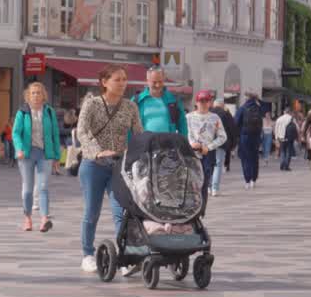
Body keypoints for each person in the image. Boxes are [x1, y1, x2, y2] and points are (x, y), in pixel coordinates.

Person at [76, 65, 144, 273]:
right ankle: (87, 254)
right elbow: (82, 132)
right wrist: (97, 152)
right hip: (93, 165)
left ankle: (125, 257)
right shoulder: (92, 104)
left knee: (121, 212)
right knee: (92, 211)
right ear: (104, 82)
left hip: (118, 166)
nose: (122, 83)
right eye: (117, 79)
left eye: (124, 79)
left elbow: (139, 134)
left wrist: (144, 153)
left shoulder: (130, 107)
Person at [12, 81, 61, 233]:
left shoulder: (49, 112)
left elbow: (55, 134)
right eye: (33, 93)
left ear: (43, 95)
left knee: (43, 187)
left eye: (38, 92)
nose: (35, 95)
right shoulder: (23, 112)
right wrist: (19, 149)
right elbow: (16, 133)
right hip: (26, 154)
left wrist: (57, 156)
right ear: (28, 96)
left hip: (45, 154)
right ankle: (27, 217)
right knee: (27, 189)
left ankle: (45, 219)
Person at [188, 90, 228, 208]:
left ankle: (201, 210)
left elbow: (222, 136)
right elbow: (186, 133)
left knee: (204, 183)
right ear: (197, 102)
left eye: (206, 101)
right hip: (191, 154)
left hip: (207, 154)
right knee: (192, 183)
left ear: (210, 103)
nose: (204, 103)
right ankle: (192, 209)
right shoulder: (189, 117)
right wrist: (192, 144)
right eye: (201, 101)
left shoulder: (215, 118)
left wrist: (209, 147)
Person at [133, 67, 188, 135]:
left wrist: (184, 143)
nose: (157, 85)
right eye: (154, 82)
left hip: (168, 143)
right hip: (145, 143)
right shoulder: (137, 100)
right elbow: (129, 126)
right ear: (148, 81)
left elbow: (182, 124)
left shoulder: (173, 99)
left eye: (160, 81)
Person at [234, 91, 265, 188]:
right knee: (254, 158)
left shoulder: (242, 108)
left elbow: (236, 123)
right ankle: (254, 180)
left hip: (245, 136)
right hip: (256, 136)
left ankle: (247, 180)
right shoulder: (258, 108)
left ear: (246, 98)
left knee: (245, 158)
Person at [209, 100, 237, 196]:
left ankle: (208, 186)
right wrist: (233, 144)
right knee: (218, 165)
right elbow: (232, 129)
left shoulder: (208, 113)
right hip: (221, 143)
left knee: (209, 165)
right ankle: (215, 189)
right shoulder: (226, 114)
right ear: (222, 105)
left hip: (208, 143)